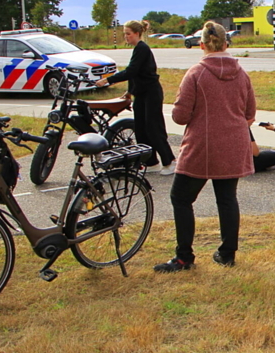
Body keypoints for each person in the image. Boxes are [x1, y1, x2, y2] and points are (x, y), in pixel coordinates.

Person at [154, 21, 256, 272]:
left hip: (202, 145)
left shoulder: (196, 73)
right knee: (227, 199)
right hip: (233, 143)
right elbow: (250, 113)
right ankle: (227, 253)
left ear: (201, 45)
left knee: (181, 198)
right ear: (226, 43)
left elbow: (180, 116)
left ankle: (184, 257)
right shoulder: (242, 74)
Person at [94, 20, 175, 174]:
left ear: (137, 34)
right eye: (125, 34)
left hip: (151, 93)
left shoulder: (142, 48)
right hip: (141, 93)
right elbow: (136, 74)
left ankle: (169, 161)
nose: (126, 37)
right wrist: (131, 91)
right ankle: (151, 162)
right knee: (141, 128)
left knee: (153, 127)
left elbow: (131, 71)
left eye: (128, 34)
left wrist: (108, 79)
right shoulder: (137, 49)